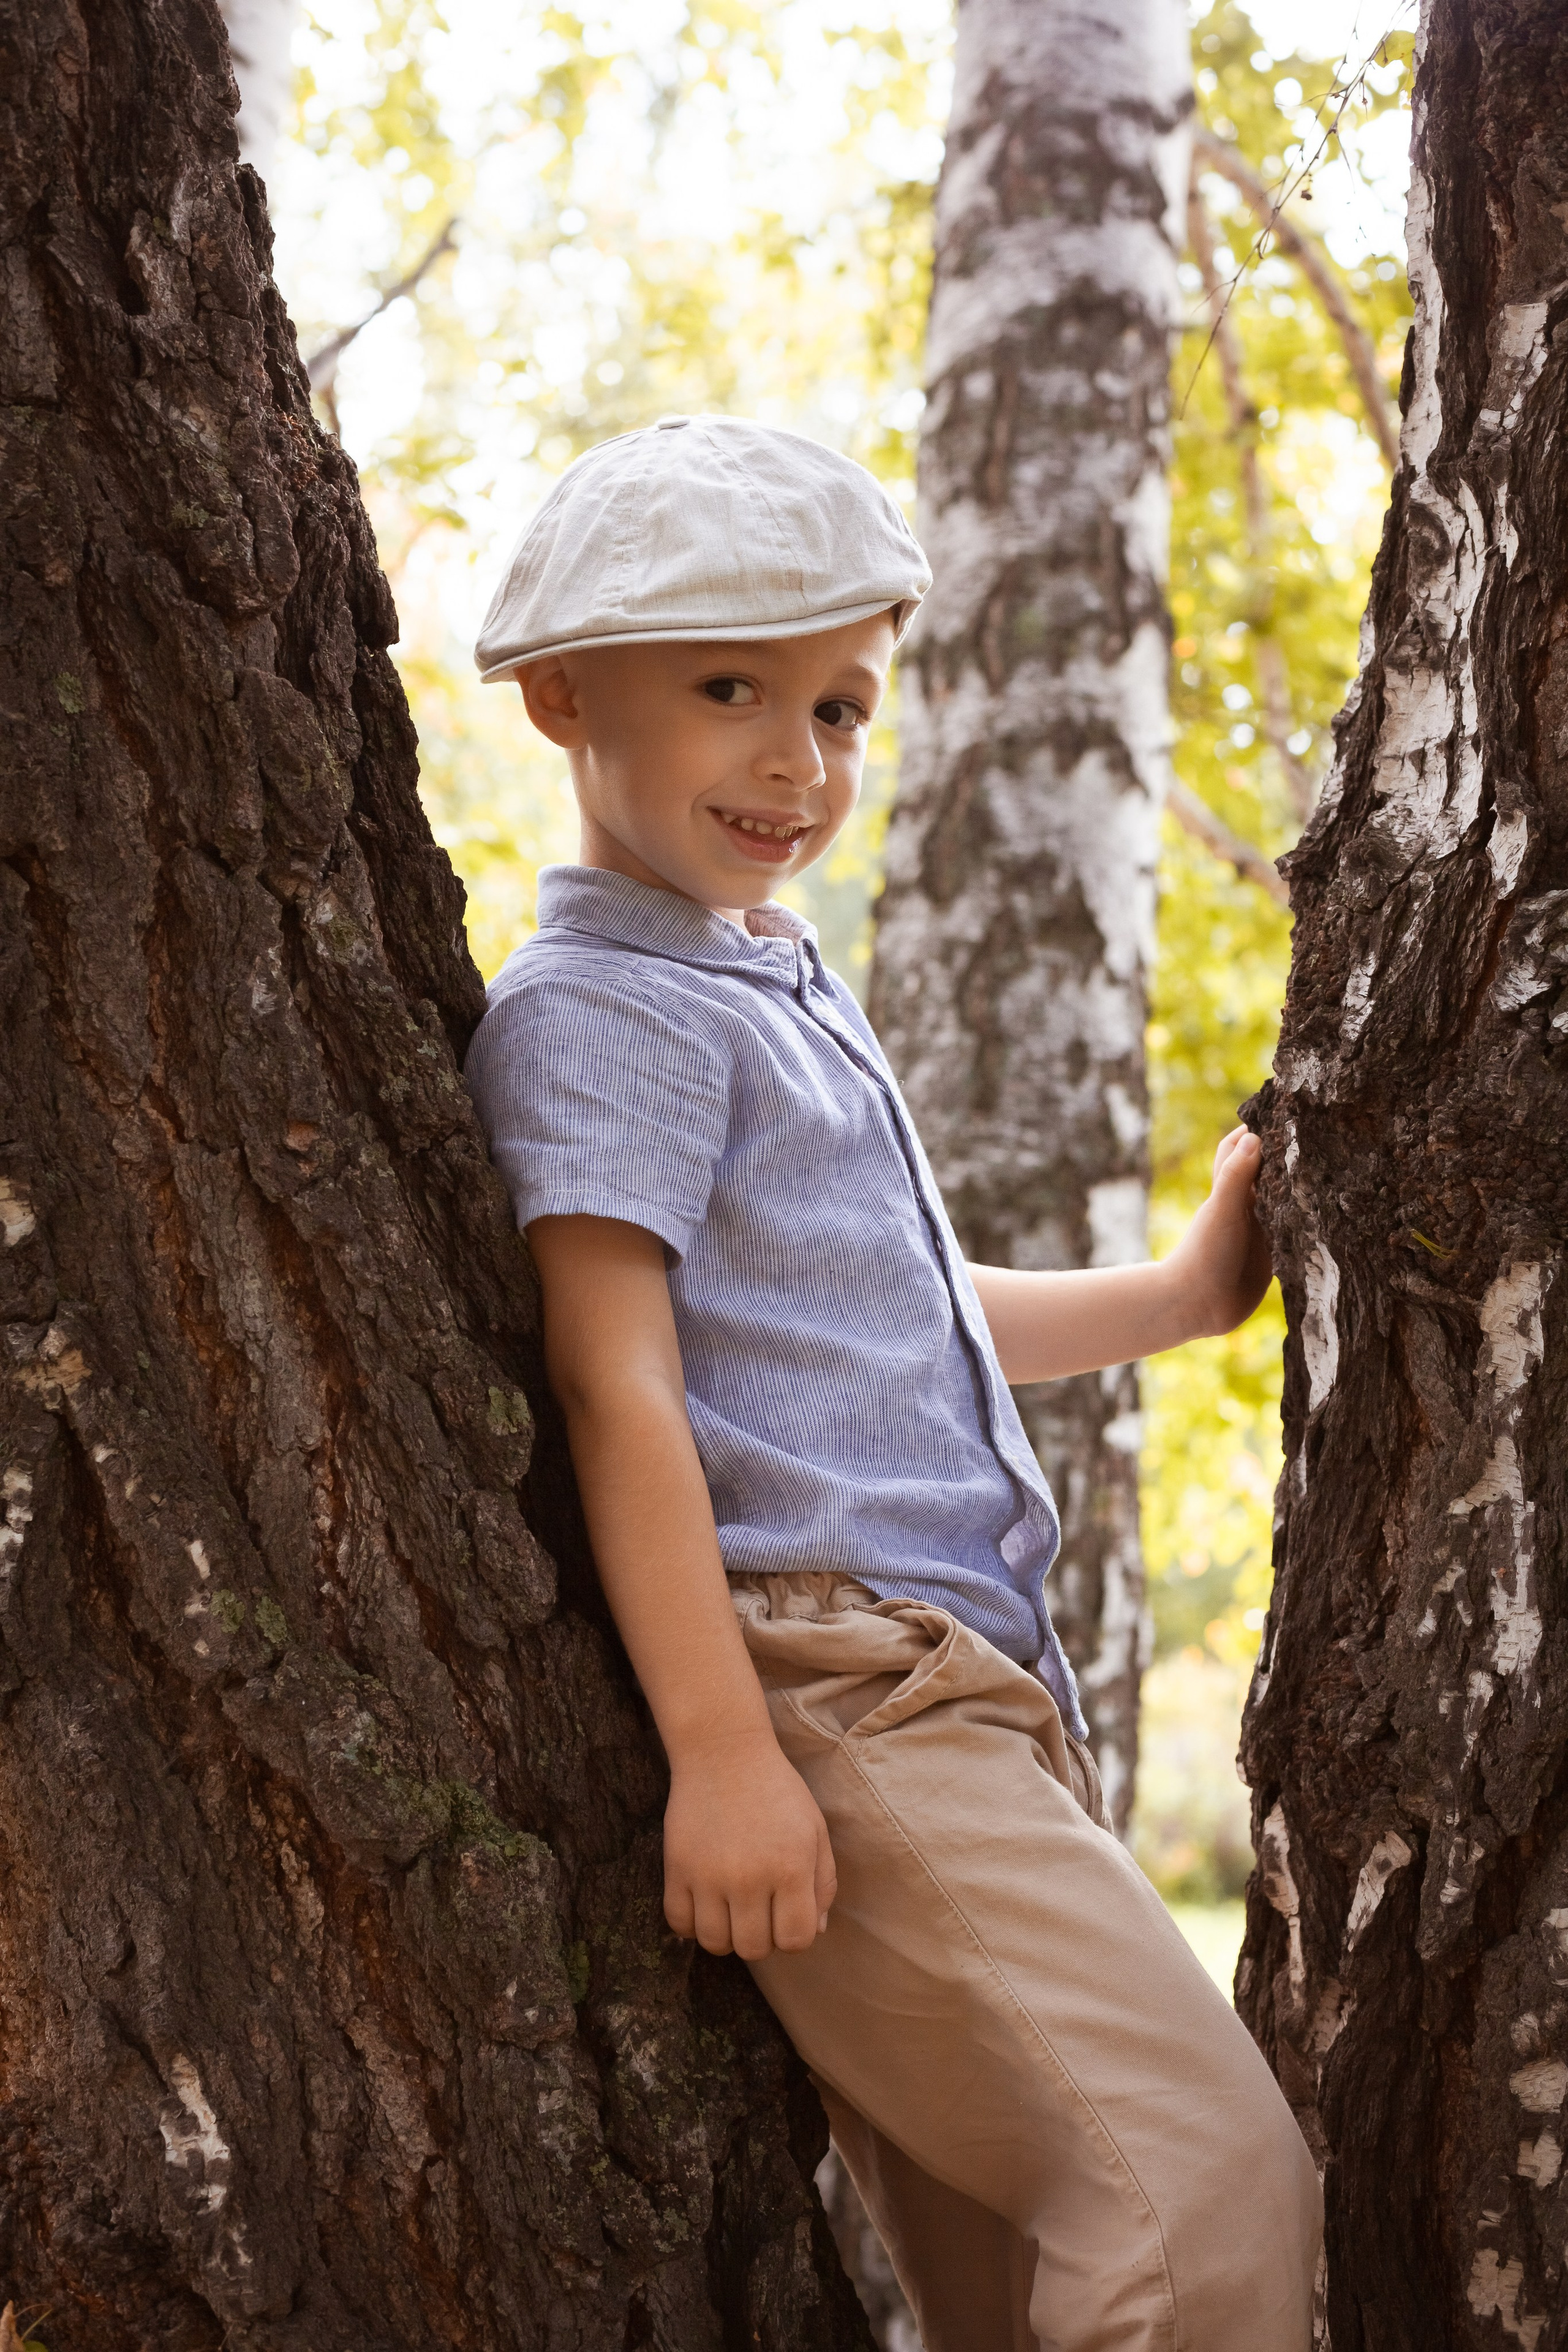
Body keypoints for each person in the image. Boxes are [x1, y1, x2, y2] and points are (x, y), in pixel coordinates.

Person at [463, 413, 1322, 2352]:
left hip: (958, 1700)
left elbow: (892, 1318)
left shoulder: (764, 974)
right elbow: (620, 1395)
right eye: (730, 688)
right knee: (1203, 2200)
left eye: (844, 707)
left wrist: (1183, 1300)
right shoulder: (599, 1010)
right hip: (835, 1702)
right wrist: (724, 1749)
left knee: (1022, 2287)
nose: (799, 759)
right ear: (556, 699)